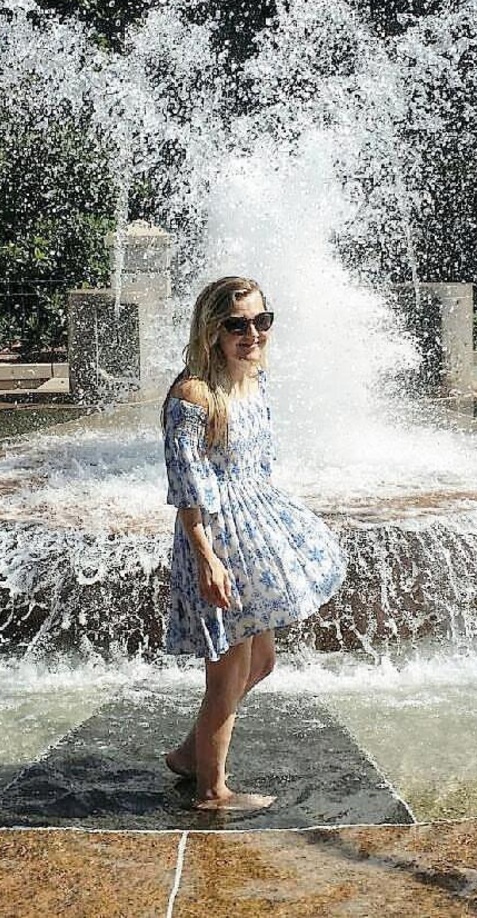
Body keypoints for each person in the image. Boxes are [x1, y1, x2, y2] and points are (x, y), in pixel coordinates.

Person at [161, 276, 347, 811]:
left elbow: (259, 464)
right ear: (212, 330)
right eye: (237, 325)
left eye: (262, 321)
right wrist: (207, 560)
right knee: (229, 672)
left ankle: (190, 754)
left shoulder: (252, 379)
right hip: (219, 539)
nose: (253, 334)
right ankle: (212, 790)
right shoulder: (194, 396)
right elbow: (188, 490)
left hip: (255, 529)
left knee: (261, 661)